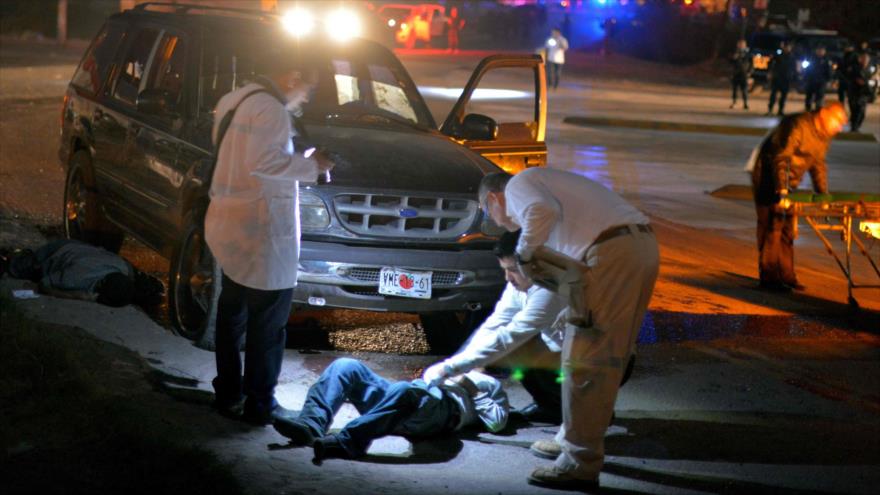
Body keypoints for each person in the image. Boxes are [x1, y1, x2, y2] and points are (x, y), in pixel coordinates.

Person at [479, 168, 659, 490]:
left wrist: (524, 252)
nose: (499, 223)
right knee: (599, 359)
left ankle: (578, 464)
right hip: (635, 247)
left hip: (612, 252)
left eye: (488, 213)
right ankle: (571, 440)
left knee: (586, 360)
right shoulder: (546, 188)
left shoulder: (520, 184)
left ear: (494, 199)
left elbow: (540, 211)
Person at [205, 44, 335, 426]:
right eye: (307, 89)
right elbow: (265, 162)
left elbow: (240, 156)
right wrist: (314, 166)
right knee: (268, 323)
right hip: (262, 230)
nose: (305, 98)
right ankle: (260, 404)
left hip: (231, 222)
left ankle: (228, 392)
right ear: (291, 78)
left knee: (232, 315)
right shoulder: (273, 111)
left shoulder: (234, 99)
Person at [423, 229, 566, 424]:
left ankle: (588, 411)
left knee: (519, 345)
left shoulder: (547, 290)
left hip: (592, 361)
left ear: (534, 264)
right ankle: (553, 406)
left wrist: (451, 368)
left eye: (513, 270)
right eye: (504, 269)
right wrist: (460, 363)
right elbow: (494, 324)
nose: (508, 277)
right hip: (563, 350)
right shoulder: (519, 286)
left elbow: (510, 336)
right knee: (509, 344)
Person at [272, 357, 508, 462]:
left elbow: (497, 423)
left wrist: (471, 388)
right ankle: (310, 425)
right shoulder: (457, 365)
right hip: (407, 399)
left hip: (440, 411)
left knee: (407, 391)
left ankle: (348, 442)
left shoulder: (489, 384)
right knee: (346, 366)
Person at [749, 102, 848, 291]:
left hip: (790, 181)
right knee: (773, 226)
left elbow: (818, 164)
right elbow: (781, 157)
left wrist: (822, 194)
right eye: (838, 121)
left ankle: (787, 276)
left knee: (788, 229)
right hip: (769, 176)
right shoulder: (797, 125)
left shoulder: (823, 135)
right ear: (823, 114)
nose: (840, 127)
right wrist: (782, 191)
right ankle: (769, 278)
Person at [4, 239, 163, 307]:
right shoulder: (78, 278)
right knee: (16, 267)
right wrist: (76, 296)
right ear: (99, 286)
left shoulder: (122, 267)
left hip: (80, 249)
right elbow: (44, 284)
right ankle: (13, 256)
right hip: (54, 253)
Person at [845, 51, 874, 133]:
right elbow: (848, 78)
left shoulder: (869, 69)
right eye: (863, 58)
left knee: (862, 112)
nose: (865, 61)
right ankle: (854, 127)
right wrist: (855, 80)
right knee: (855, 111)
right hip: (854, 93)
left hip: (864, 94)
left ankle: (856, 126)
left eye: (867, 59)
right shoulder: (854, 68)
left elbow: (871, 81)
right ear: (860, 59)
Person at [766, 42, 797, 116]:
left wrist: (794, 78)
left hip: (786, 79)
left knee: (783, 96)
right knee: (773, 95)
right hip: (777, 78)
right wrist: (771, 72)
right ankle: (770, 110)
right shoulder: (778, 55)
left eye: (788, 47)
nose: (787, 49)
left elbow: (794, 69)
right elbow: (770, 63)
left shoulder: (792, 57)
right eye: (786, 47)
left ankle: (780, 110)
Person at [803, 46, 833, 111]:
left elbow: (829, 71)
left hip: (821, 82)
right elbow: (807, 70)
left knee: (819, 97)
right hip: (811, 80)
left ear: (824, 52)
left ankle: (818, 111)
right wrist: (805, 78)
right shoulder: (811, 59)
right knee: (809, 96)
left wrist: (828, 80)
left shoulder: (826, 60)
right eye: (819, 50)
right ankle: (808, 110)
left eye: (822, 50)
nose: (820, 52)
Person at [729, 39, 753, 110]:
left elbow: (752, 64)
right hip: (736, 74)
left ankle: (745, 103)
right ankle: (734, 102)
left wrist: (749, 72)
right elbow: (730, 62)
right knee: (735, 90)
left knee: (744, 90)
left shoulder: (748, 53)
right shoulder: (735, 52)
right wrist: (733, 58)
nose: (741, 46)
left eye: (742, 44)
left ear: (745, 45)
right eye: (740, 44)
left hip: (744, 74)